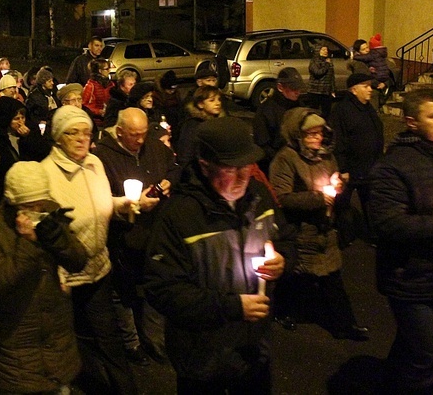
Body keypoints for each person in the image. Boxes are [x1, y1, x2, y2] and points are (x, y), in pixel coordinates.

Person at [144, 117, 294, 394]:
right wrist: (232, 307)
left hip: (254, 350)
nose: (242, 177)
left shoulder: (259, 195)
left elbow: (285, 238)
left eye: (246, 167)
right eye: (230, 168)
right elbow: (163, 289)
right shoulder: (179, 215)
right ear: (205, 165)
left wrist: (283, 260)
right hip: (202, 356)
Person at [41, 105, 138, 395]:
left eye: (87, 132)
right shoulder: (46, 175)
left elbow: (102, 203)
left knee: (109, 338)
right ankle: (62, 383)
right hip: (65, 279)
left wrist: (125, 204)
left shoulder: (95, 163)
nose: (83, 139)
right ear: (58, 137)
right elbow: (45, 234)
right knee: (65, 338)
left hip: (99, 268)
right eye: (74, 133)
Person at [367, 88, 433, 394]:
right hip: (408, 276)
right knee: (428, 357)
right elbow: (389, 223)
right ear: (411, 122)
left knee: (410, 344)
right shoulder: (393, 166)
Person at [0, 161, 88, 394]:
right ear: (11, 201)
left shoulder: (49, 212)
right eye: (28, 204)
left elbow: (78, 261)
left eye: (41, 202)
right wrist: (28, 243)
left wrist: (57, 237)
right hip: (17, 345)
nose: (37, 208)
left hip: (57, 337)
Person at [269, 108, 368, 340]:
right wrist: (316, 198)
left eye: (320, 133)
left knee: (332, 277)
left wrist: (338, 184)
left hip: (325, 228)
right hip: (301, 230)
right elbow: (281, 197)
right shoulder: (286, 158)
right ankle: (284, 312)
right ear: (298, 135)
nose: (317, 138)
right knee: (297, 277)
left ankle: (346, 325)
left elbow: (333, 182)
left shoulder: (326, 156)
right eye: (310, 134)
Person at [94, 107, 179, 365]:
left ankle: (155, 340)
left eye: (143, 134)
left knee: (155, 284)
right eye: (134, 135)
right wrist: (132, 204)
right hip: (124, 236)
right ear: (119, 132)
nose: (141, 140)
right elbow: (100, 199)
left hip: (155, 231)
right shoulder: (103, 157)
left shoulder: (153, 146)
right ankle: (131, 343)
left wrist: (167, 183)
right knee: (124, 292)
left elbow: (175, 167)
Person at [328, 73, 384, 245]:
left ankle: (373, 235)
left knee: (371, 203)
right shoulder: (342, 110)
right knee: (343, 203)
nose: (370, 90)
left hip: (369, 167)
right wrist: (343, 168)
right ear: (354, 90)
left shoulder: (368, 107)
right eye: (365, 86)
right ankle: (345, 237)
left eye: (370, 86)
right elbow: (339, 140)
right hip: (351, 168)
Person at [0, 96, 50, 203]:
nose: (21, 122)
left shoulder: (31, 131)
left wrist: (28, 138)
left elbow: (43, 152)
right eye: (16, 119)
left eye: (23, 117)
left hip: (29, 183)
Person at [253, 67, 305, 175]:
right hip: (275, 166)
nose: (297, 91)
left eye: (299, 87)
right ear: (280, 87)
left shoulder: (299, 106)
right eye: (293, 88)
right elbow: (262, 144)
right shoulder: (266, 110)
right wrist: (283, 160)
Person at [176, 85, 224, 168]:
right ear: (200, 104)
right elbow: (185, 154)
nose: (218, 103)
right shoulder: (193, 125)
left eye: (219, 99)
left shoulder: (220, 122)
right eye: (212, 100)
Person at [82, 59, 114, 127]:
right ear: (100, 71)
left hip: (109, 119)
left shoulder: (110, 83)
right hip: (97, 122)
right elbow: (85, 105)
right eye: (106, 69)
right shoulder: (91, 86)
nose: (109, 71)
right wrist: (99, 112)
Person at [306, 45, 336, 118]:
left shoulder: (328, 61)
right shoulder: (314, 61)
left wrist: (333, 89)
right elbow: (318, 72)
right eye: (323, 50)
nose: (325, 51)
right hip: (315, 91)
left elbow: (331, 77)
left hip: (326, 91)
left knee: (326, 112)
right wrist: (327, 64)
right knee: (314, 112)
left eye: (326, 49)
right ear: (318, 51)